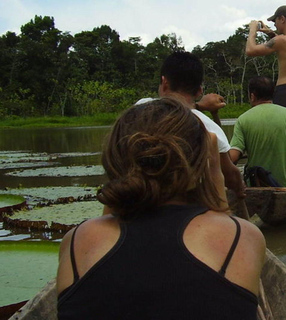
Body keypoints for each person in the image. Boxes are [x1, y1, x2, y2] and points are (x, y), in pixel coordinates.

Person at [56, 98, 266, 319]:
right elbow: (224, 221)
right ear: (198, 162)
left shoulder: (76, 241)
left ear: (114, 159)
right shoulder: (243, 236)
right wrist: (214, 169)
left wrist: (121, 178)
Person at [136, 51, 245, 199]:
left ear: (164, 82)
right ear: (199, 91)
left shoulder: (139, 109)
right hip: (186, 206)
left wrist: (200, 106)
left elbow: (171, 108)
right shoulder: (210, 128)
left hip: (140, 198)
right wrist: (239, 188)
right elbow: (230, 176)